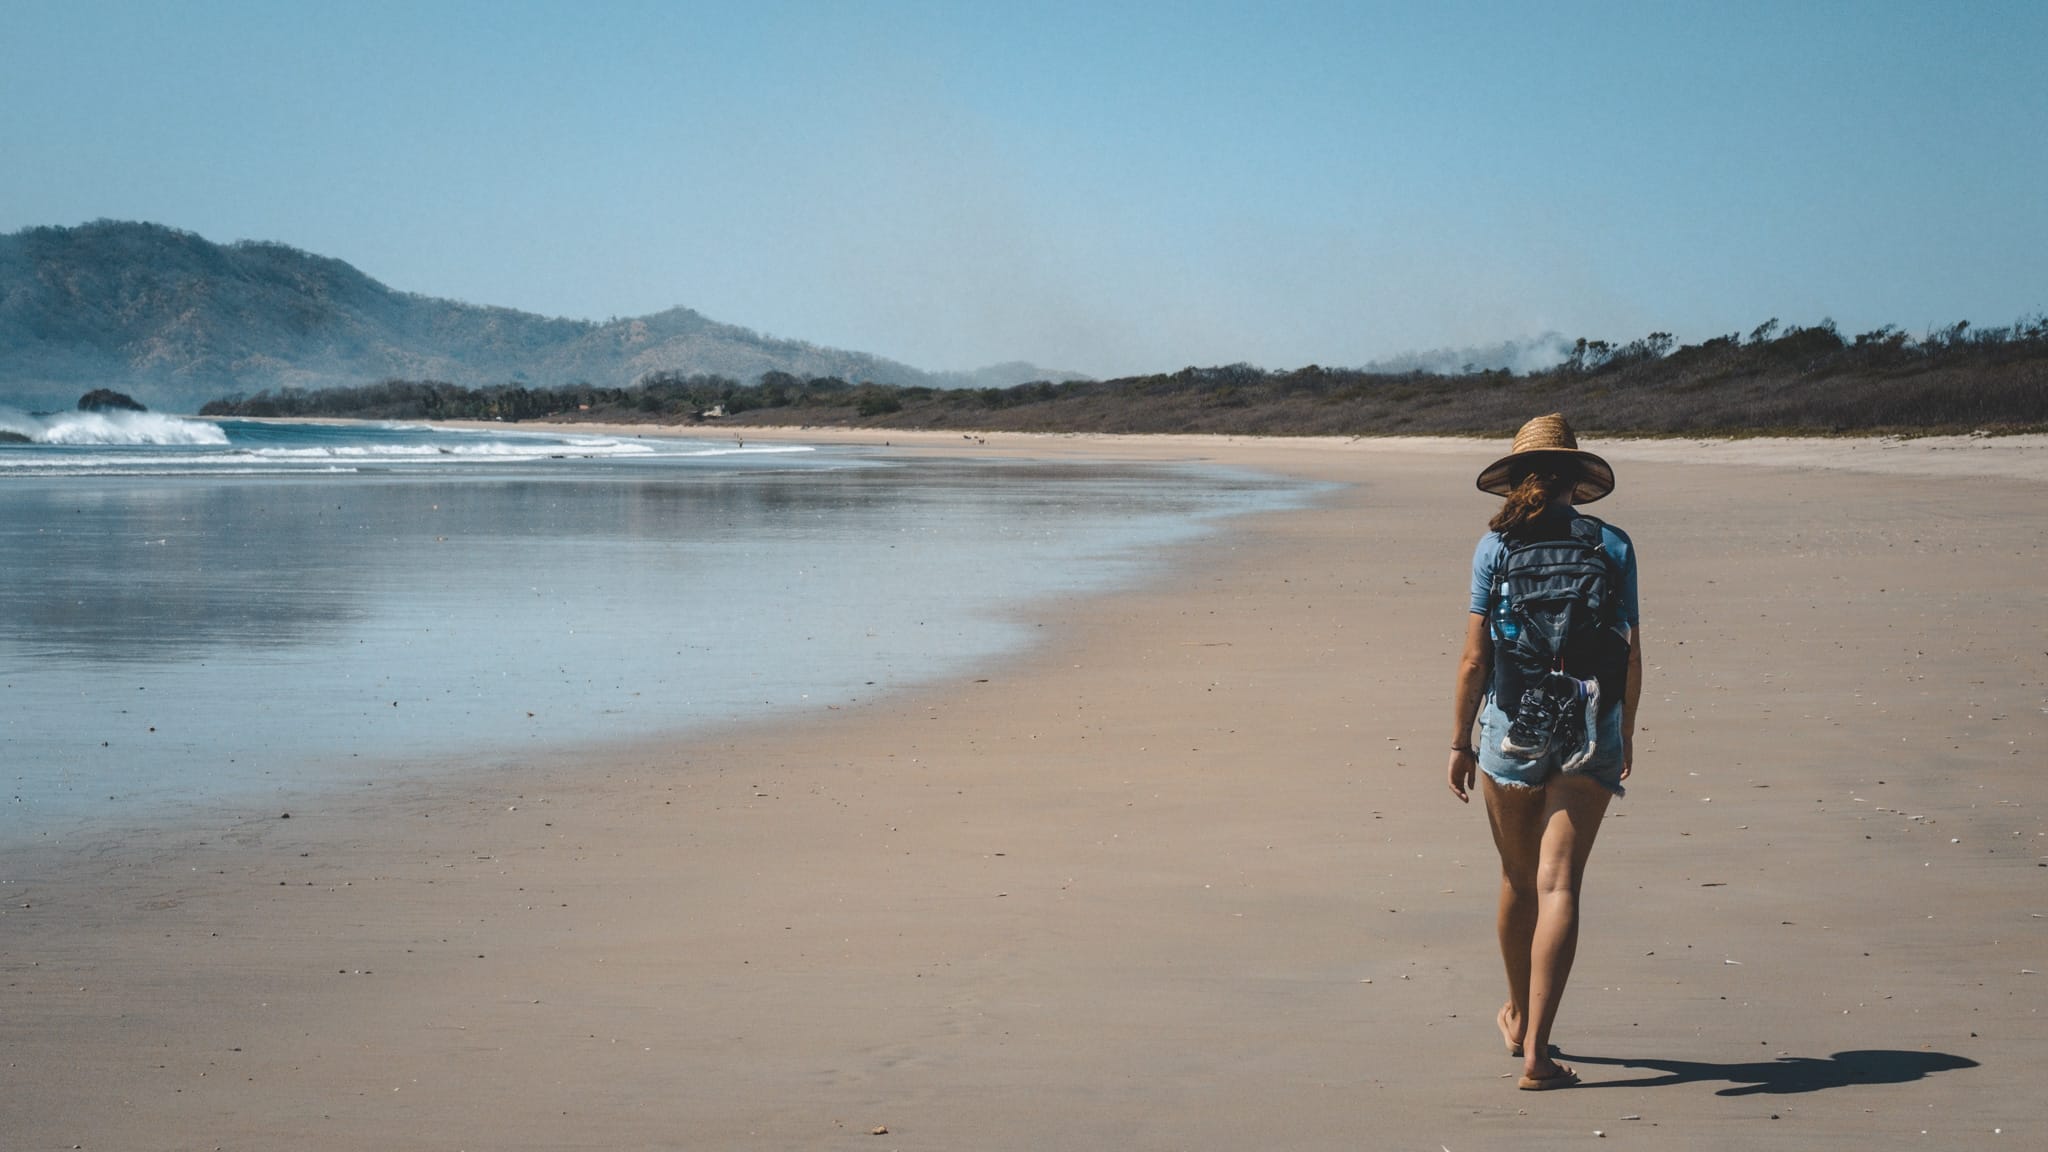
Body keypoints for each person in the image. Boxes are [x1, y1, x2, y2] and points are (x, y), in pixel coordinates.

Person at [1446, 413, 1642, 1091]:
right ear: (1575, 479)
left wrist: (1458, 741)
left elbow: (1476, 658)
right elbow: (1629, 650)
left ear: (1519, 477)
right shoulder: (1613, 545)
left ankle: (1518, 1015)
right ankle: (1537, 1052)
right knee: (1560, 884)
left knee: (1516, 878)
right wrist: (1625, 731)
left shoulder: (1493, 548)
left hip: (1511, 726)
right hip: (1590, 724)